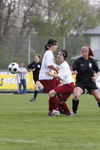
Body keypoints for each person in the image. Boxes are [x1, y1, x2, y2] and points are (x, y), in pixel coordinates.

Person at [72, 46, 100, 114]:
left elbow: (98, 71)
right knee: (76, 95)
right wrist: (73, 72)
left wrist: (95, 77)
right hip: (80, 82)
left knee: (98, 98)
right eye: (82, 52)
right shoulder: (78, 61)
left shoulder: (92, 61)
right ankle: (74, 112)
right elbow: (72, 70)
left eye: (85, 52)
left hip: (90, 82)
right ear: (81, 52)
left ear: (88, 52)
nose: (84, 53)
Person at [47, 49, 74, 116]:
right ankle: (68, 113)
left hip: (68, 86)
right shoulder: (62, 64)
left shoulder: (64, 65)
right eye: (58, 54)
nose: (58, 56)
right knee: (60, 101)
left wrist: (51, 74)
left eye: (60, 55)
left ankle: (56, 110)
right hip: (69, 85)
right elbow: (57, 68)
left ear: (64, 57)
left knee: (51, 93)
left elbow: (60, 77)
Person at [39, 39, 60, 116]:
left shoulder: (50, 53)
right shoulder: (48, 53)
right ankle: (54, 110)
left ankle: (51, 110)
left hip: (49, 77)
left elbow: (53, 65)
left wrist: (60, 67)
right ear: (51, 46)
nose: (57, 46)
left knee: (58, 88)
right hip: (46, 77)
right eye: (56, 45)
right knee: (54, 93)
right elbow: (49, 65)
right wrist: (57, 69)